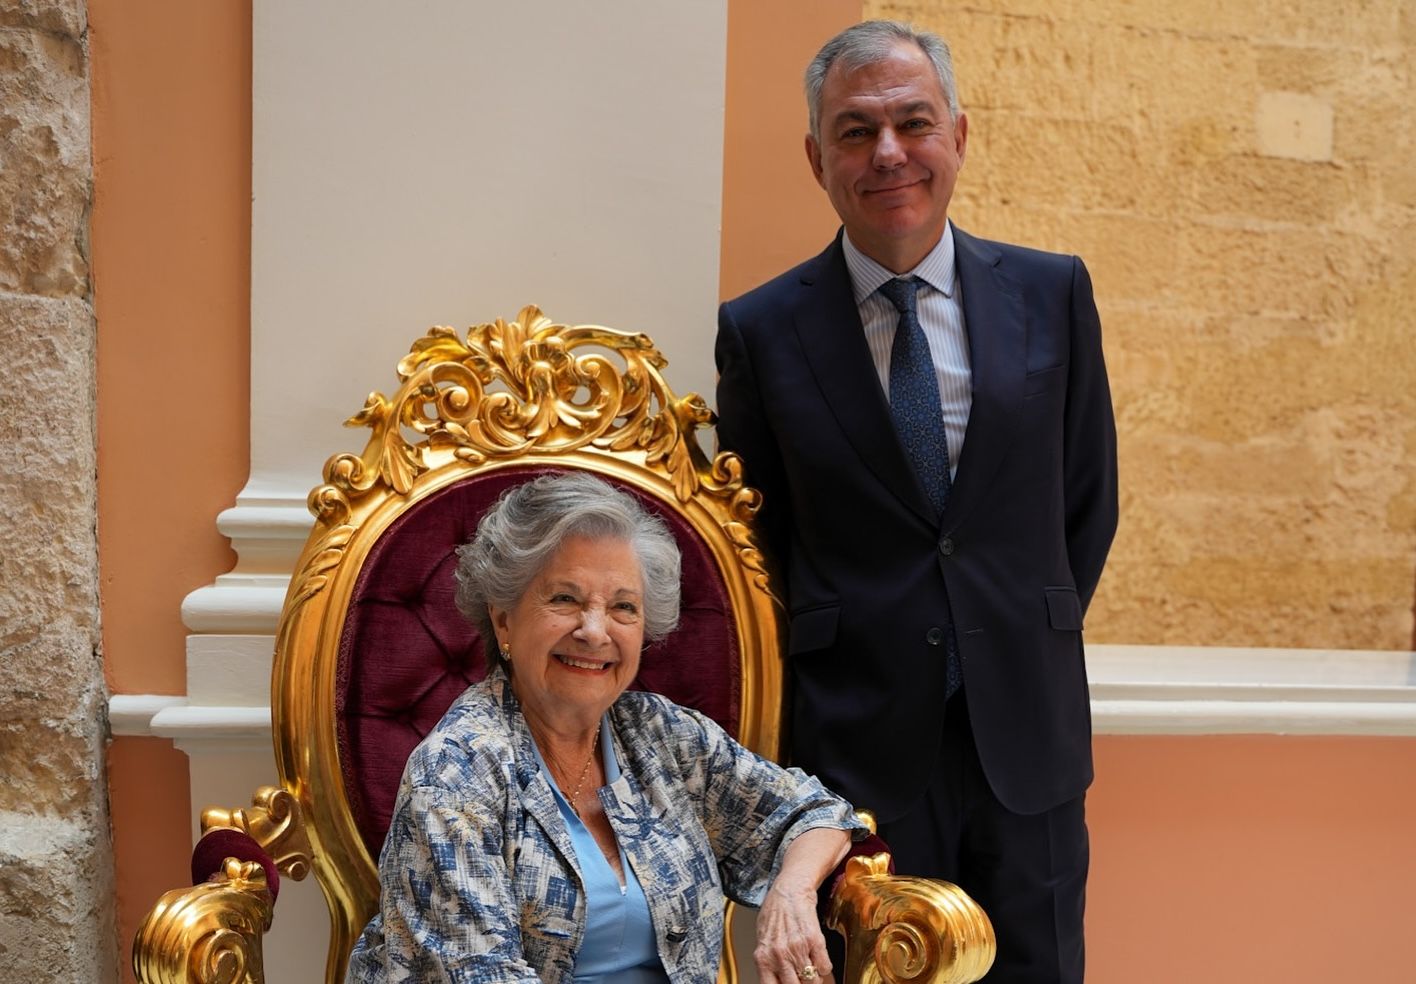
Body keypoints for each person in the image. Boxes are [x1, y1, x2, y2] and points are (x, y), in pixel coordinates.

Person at [714, 20, 1118, 983]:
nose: (888, 153)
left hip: (1029, 735)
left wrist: (1013, 629)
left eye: (913, 123)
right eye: (855, 131)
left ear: (959, 137)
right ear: (817, 158)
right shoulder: (761, 332)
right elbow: (759, 544)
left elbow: (1086, 500)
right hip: (854, 754)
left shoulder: (1053, 294)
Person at [345, 472, 865, 984]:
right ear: (503, 619)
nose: (595, 632)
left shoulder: (664, 738)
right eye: (565, 599)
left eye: (622, 607)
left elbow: (816, 812)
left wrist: (792, 894)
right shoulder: (457, 769)